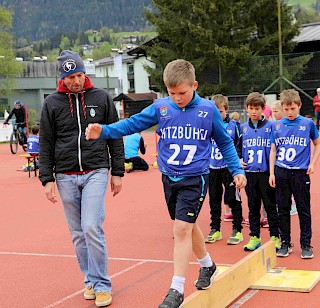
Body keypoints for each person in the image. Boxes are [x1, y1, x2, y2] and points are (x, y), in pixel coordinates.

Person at [85, 59, 246, 308]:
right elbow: (131, 123)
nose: (177, 98)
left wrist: (236, 169)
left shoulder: (207, 110)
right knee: (187, 226)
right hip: (169, 177)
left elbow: (224, 142)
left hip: (195, 177)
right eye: (172, 93)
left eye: (182, 92)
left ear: (194, 85)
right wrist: (104, 131)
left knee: (181, 229)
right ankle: (208, 265)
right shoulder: (161, 108)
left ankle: (176, 288)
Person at [39, 50, 124, 307]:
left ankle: (102, 285)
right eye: (70, 77)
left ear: (84, 73)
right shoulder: (51, 103)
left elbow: (115, 134)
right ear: (62, 78)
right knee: (77, 233)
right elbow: (46, 142)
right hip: (65, 175)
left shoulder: (101, 97)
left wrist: (117, 172)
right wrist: (47, 179)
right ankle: (89, 279)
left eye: (79, 75)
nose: (76, 81)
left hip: (96, 170)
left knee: (90, 226)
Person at [269, 89, 320, 259]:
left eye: (293, 108)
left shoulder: (307, 124)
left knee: (303, 209)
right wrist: (271, 172)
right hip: (281, 171)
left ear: (299, 106)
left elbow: (318, 143)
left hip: (300, 173)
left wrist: (313, 163)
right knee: (282, 209)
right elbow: (273, 149)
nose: (290, 112)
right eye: (286, 109)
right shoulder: (277, 126)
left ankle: (306, 244)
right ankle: (285, 242)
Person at [239, 92, 280, 252]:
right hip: (250, 173)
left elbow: (276, 148)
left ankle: (275, 237)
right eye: (251, 108)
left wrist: (273, 171)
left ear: (263, 109)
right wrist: (239, 158)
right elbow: (236, 147)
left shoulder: (270, 127)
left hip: (265, 173)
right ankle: (254, 237)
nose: (254, 111)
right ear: (247, 109)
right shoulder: (243, 128)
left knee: (270, 206)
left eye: (257, 108)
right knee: (252, 206)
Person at [206, 94, 243, 245]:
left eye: (220, 112)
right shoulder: (207, 125)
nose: (217, 115)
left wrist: (239, 161)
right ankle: (215, 229)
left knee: (233, 199)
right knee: (213, 199)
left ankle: (237, 230)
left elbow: (240, 145)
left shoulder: (234, 126)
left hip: (229, 169)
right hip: (212, 168)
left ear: (226, 110)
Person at [271, 100, 298, 216]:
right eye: (272, 111)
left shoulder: (293, 125)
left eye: (276, 111)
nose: (274, 114)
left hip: (290, 163)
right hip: (277, 163)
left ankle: (292, 204)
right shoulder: (274, 126)